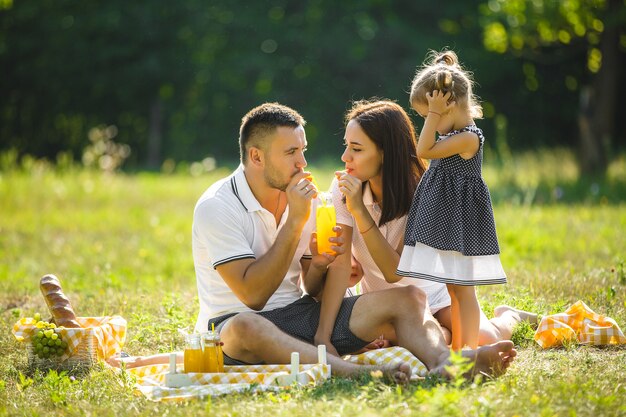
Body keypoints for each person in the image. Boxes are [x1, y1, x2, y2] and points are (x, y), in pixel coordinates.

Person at [191, 102, 516, 381]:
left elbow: (313, 286)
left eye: (302, 150)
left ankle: (445, 364)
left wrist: (319, 265)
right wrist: (295, 223)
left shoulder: (307, 199)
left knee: (409, 297)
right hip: (233, 329)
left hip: (298, 314)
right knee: (245, 326)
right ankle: (353, 372)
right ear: (256, 157)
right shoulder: (217, 207)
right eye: (291, 153)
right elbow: (254, 296)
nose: (303, 163)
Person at [316, 99, 536, 355]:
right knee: (413, 341)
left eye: (357, 149)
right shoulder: (344, 187)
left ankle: (509, 316)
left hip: (433, 295)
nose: (345, 157)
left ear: (387, 152)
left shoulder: (425, 191)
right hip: (382, 302)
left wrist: (360, 212)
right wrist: (324, 335)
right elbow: (341, 265)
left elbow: (393, 271)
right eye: (346, 146)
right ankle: (438, 336)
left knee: (484, 338)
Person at [392, 50, 508, 350]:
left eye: (428, 115)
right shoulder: (451, 134)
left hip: (461, 222)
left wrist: (431, 114)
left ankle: (467, 350)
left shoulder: (470, 137)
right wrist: (434, 113)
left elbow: (424, 150)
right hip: (447, 220)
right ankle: (460, 348)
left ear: (450, 106)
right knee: (454, 288)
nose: (427, 121)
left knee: (464, 289)